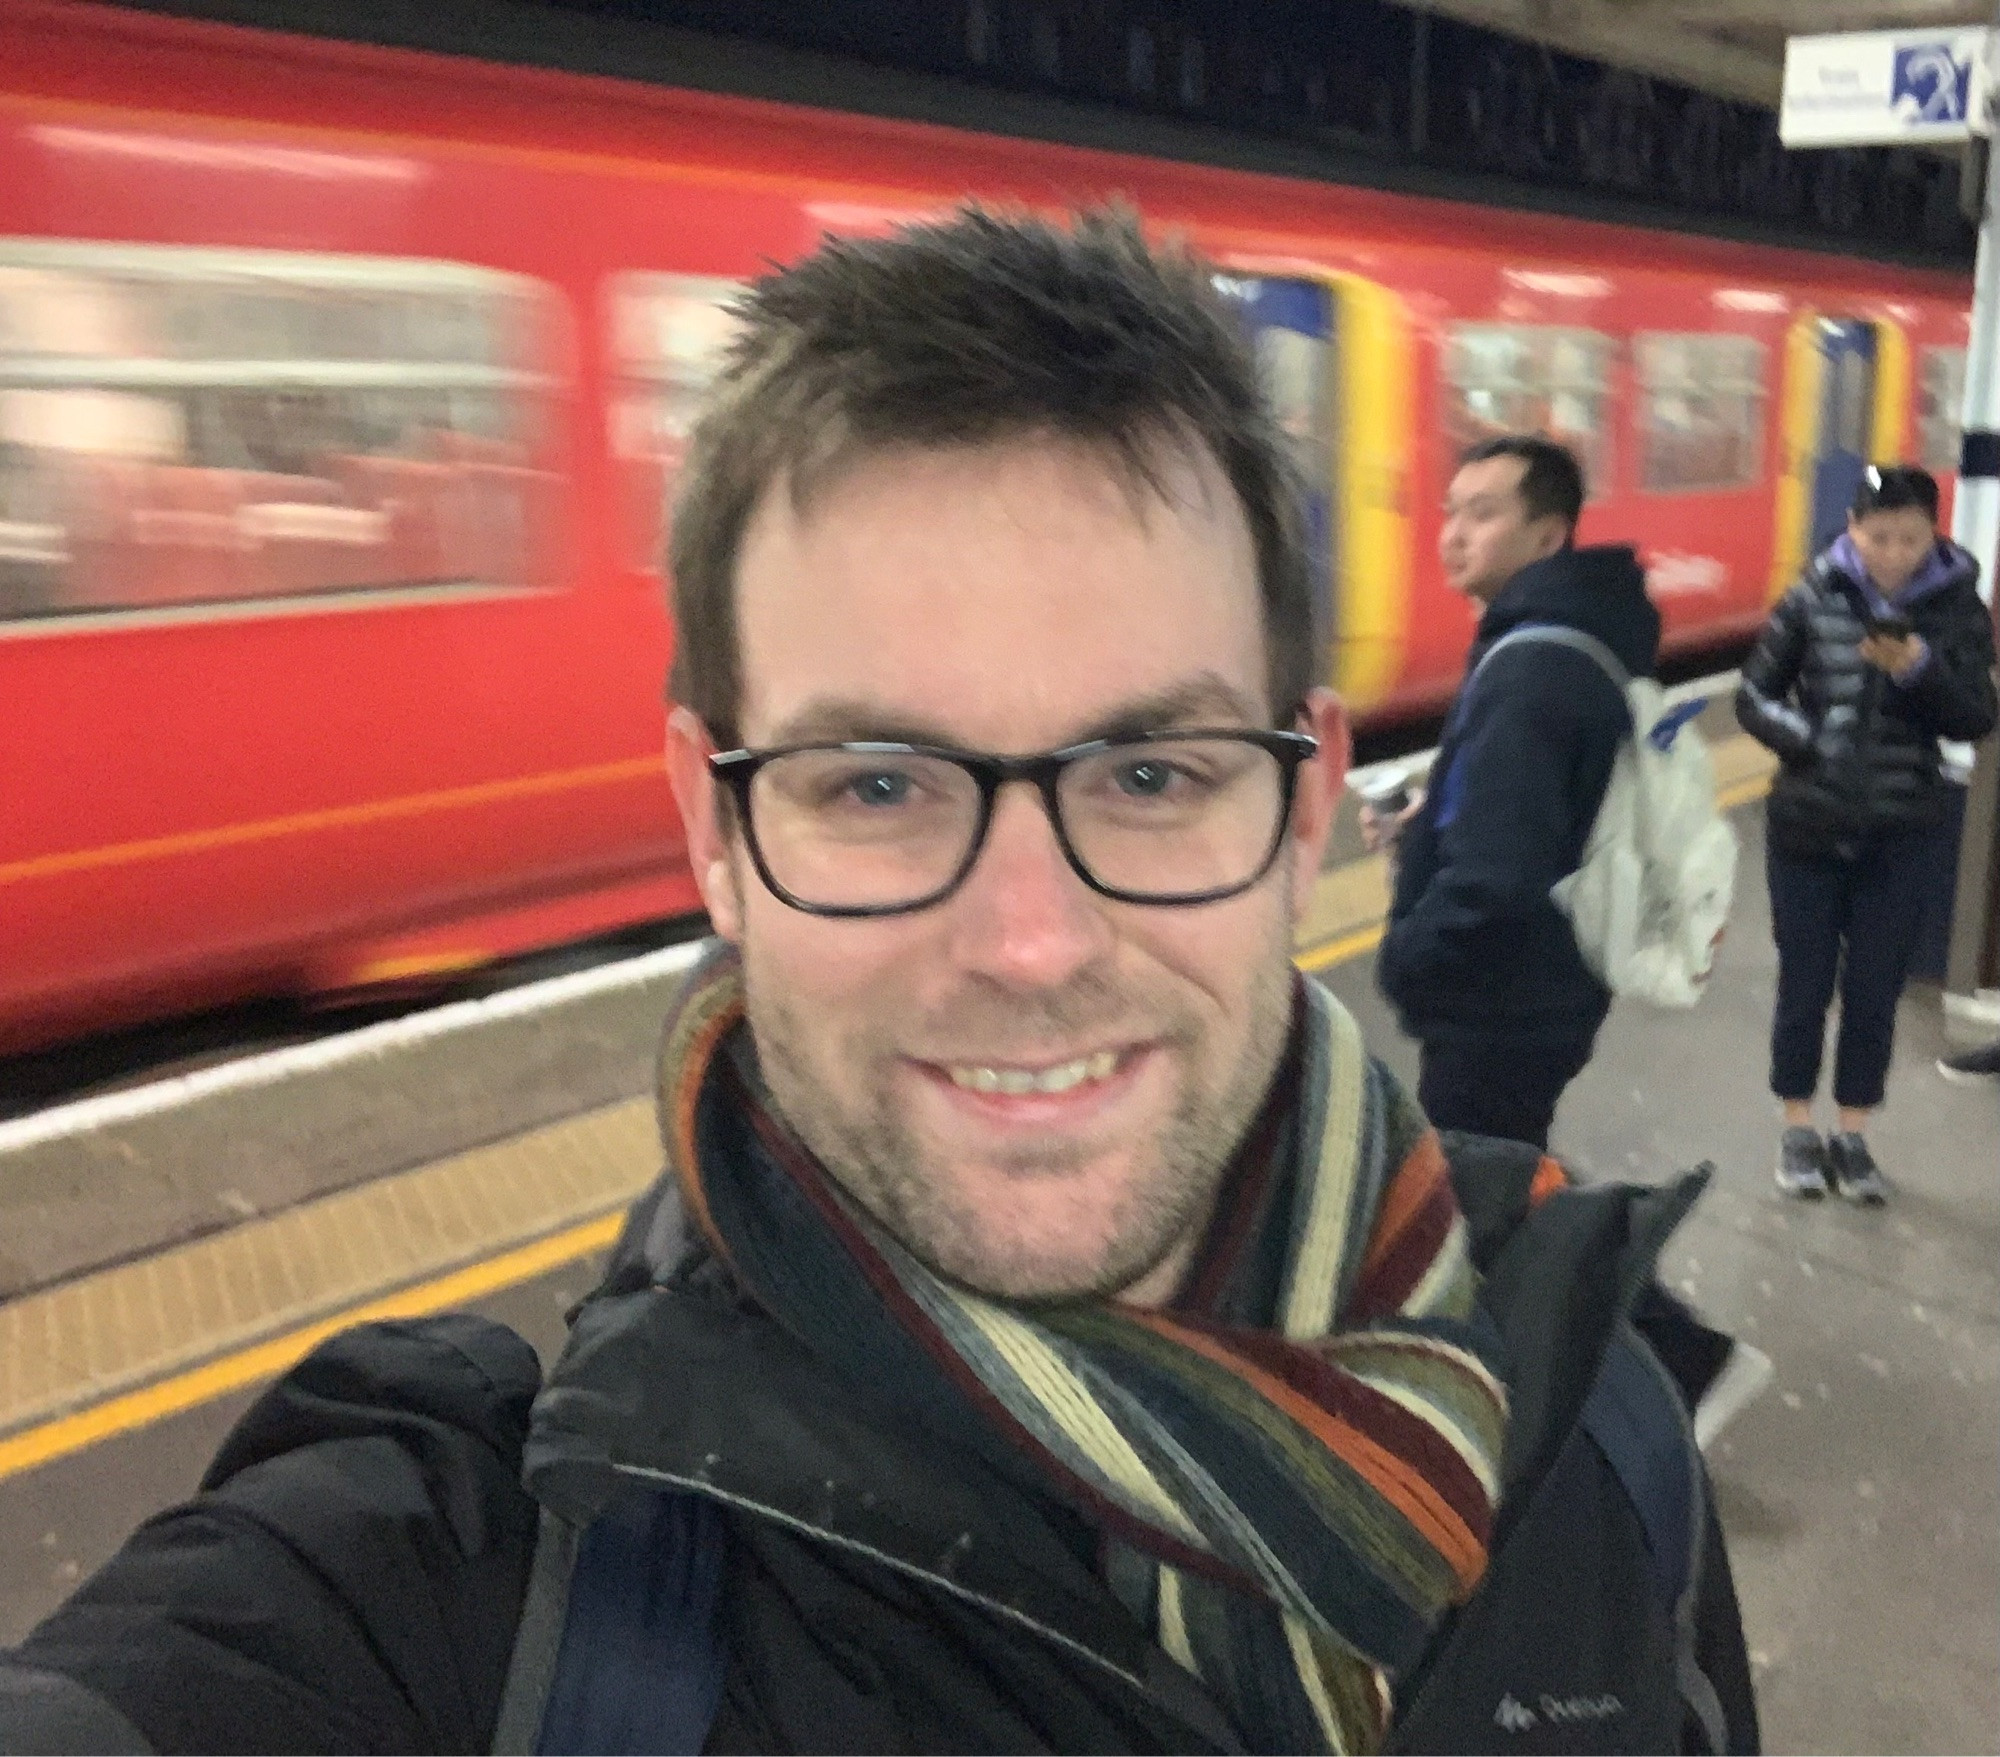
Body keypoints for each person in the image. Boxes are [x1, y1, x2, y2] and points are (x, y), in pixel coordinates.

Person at [0, 211, 1755, 1755]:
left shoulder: (1596, 1427)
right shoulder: (463, 1593)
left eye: (1148, 777)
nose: (1030, 941)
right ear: (713, 829)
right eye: (878, 786)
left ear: (1302, 806)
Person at [1370, 436, 1657, 1152]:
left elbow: (1494, 880)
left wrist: (1404, 958)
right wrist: (1432, 822)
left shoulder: (1528, 669)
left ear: (1547, 535)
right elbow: (1542, 803)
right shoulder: (1569, 634)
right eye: (1452, 512)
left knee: (1477, 1201)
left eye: (1483, 514)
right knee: (1511, 1165)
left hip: (1502, 1005)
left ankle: (1600, 1263)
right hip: (1550, 987)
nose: (1453, 534)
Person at [1738, 464, 1998, 1202]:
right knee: (1805, 983)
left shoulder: (1956, 611)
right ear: (1852, 527)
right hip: (1806, 827)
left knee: (1875, 989)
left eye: (1909, 538)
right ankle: (1797, 1125)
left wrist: (1919, 668)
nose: (1891, 553)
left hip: (1903, 829)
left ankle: (1852, 1135)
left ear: (1933, 534)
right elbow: (1756, 692)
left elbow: (1977, 717)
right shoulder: (1812, 594)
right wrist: (1805, 739)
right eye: (1877, 535)